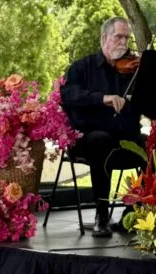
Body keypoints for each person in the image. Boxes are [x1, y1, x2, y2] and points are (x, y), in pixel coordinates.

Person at [60, 17, 146, 237]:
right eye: (118, 37)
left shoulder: (133, 71)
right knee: (101, 140)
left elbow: (147, 105)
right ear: (104, 38)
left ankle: (133, 211)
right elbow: (68, 94)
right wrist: (102, 98)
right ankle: (102, 214)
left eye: (126, 38)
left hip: (124, 138)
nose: (124, 43)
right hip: (88, 140)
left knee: (154, 146)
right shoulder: (82, 67)